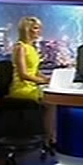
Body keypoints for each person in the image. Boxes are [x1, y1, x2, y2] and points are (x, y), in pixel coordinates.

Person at [9, 16, 56, 147]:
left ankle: (51, 136)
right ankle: (50, 138)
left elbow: (35, 71)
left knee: (54, 98)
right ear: (26, 29)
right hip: (21, 88)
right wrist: (42, 81)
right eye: (36, 28)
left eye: (40, 28)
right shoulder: (20, 47)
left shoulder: (32, 48)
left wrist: (48, 79)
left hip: (32, 86)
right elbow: (23, 74)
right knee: (51, 103)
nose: (39, 31)